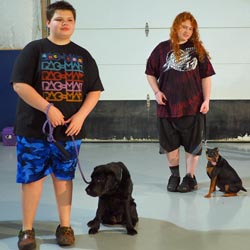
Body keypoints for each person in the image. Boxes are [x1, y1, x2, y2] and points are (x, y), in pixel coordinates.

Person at [11, 1, 104, 249]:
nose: (64, 24)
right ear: (48, 22)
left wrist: (81, 116)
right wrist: (48, 108)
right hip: (33, 131)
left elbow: (95, 91)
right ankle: (27, 230)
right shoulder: (34, 50)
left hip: (69, 134)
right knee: (31, 181)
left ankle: (65, 226)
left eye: (69, 20)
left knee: (64, 179)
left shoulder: (83, 55)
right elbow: (20, 85)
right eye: (59, 19)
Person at [145, 12, 215, 193]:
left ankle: (190, 177)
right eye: (184, 27)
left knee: (193, 145)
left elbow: (206, 76)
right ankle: (174, 175)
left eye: (191, 28)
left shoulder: (197, 49)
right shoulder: (161, 49)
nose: (187, 31)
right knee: (171, 145)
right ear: (176, 27)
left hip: (193, 106)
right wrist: (157, 91)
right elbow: (150, 72)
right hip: (167, 107)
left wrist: (206, 99)